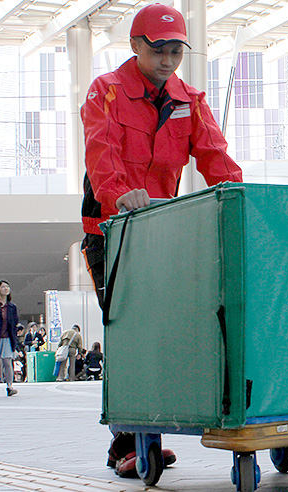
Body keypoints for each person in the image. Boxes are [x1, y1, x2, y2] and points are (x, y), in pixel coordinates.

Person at [81, 3, 240, 475]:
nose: (168, 60)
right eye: (158, 50)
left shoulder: (189, 99)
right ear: (135, 46)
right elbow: (100, 153)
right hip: (112, 229)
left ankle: (148, 428)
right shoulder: (105, 92)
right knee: (129, 330)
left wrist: (242, 201)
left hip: (164, 232)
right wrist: (117, 196)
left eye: (176, 51)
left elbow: (216, 159)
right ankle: (126, 442)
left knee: (165, 332)